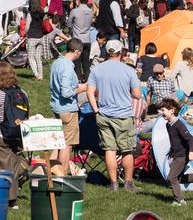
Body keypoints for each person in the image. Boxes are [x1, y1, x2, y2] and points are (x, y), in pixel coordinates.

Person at [88, 42, 142, 190]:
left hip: (104, 114)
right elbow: (137, 95)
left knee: (109, 149)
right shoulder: (128, 70)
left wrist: (96, 110)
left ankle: (113, 184)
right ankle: (128, 183)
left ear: (107, 52)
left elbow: (89, 92)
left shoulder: (97, 69)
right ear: (120, 52)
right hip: (123, 115)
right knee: (126, 150)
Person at [0, 62, 26, 207]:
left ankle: (1, 198)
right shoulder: (21, 92)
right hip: (18, 135)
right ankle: (13, 200)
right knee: (14, 167)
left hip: (1, 135)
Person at [50, 38, 87, 171]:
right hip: (67, 110)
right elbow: (66, 92)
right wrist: (80, 89)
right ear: (78, 51)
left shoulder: (57, 63)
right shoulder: (67, 67)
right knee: (67, 144)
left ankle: (52, 170)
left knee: (58, 142)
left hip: (57, 107)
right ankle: (62, 173)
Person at [159, 98, 193, 206]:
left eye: (163, 110)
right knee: (178, 178)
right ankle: (178, 199)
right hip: (176, 154)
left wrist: (191, 152)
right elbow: (174, 140)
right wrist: (171, 151)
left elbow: (190, 139)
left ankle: (179, 201)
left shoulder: (178, 124)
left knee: (171, 178)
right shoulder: (168, 124)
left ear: (172, 111)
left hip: (182, 155)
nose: (161, 113)